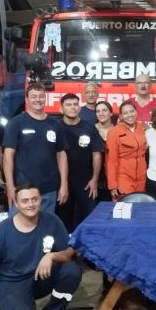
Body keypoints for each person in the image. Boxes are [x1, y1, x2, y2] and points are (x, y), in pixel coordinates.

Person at [3, 82, 68, 211]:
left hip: (49, 189)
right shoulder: (16, 123)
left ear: (45, 98)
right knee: (20, 228)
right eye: (33, 96)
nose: (38, 100)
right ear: (27, 99)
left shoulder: (55, 125)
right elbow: (7, 156)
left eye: (41, 96)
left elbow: (61, 155)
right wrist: (10, 186)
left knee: (45, 229)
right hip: (22, 190)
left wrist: (64, 184)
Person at [57, 93, 103, 232]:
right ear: (61, 108)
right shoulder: (55, 127)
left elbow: (97, 153)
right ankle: (64, 251)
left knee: (89, 219)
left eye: (75, 104)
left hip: (85, 182)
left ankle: (86, 252)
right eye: (68, 105)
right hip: (60, 182)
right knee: (62, 221)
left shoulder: (89, 127)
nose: (73, 107)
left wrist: (94, 179)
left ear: (80, 107)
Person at [105, 101, 148, 199]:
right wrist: (112, 185)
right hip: (123, 179)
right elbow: (111, 161)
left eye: (131, 111)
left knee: (140, 209)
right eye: (125, 113)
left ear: (136, 112)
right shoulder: (114, 132)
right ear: (120, 116)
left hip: (142, 178)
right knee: (125, 210)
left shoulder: (143, 128)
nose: (129, 115)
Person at [94, 100, 115, 202]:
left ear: (111, 113)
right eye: (98, 111)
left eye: (104, 110)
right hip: (95, 177)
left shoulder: (119, 130)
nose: (101, 113)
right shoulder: (91, 130)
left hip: (114, 176)